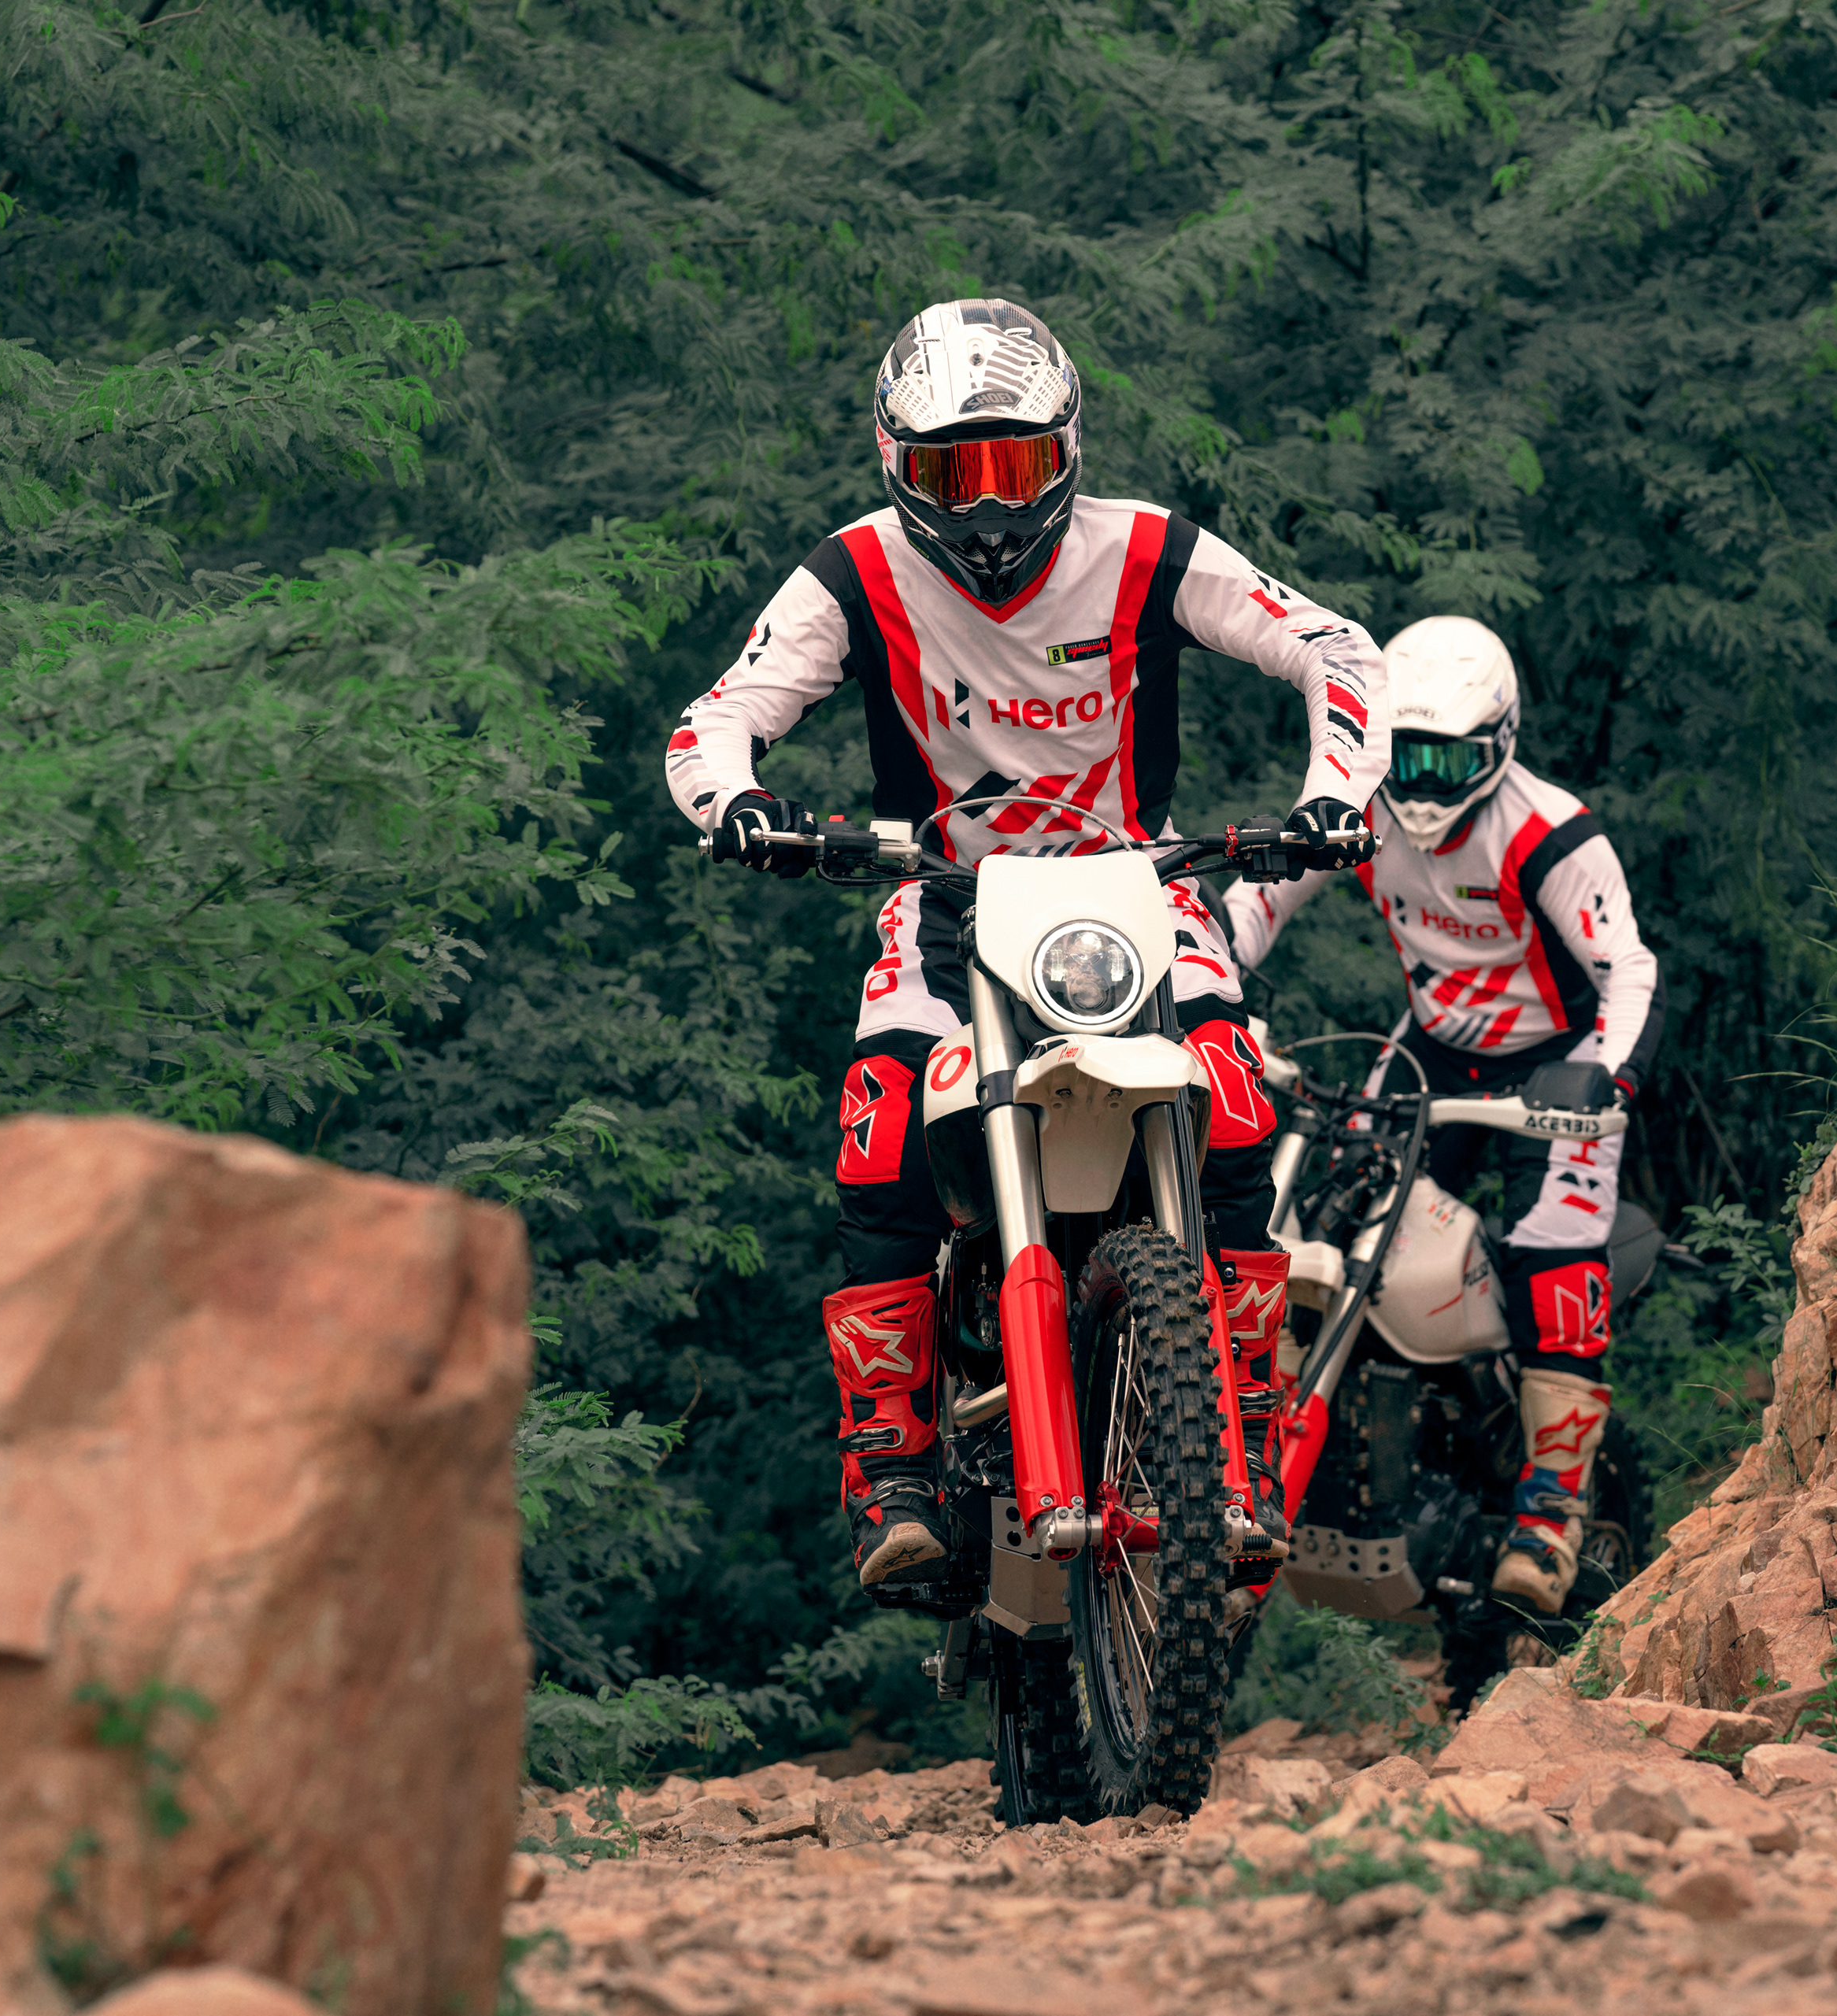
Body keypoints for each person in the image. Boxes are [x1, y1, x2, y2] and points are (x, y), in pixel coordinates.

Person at [664, 298, 1391, 1589]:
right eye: (958, 475)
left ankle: (1243, 1425)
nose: (993, 509)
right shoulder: (855, 573)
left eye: (1018, 467)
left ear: (1070, 453)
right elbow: (719, 715)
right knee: (880, 1126)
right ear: (898, 465)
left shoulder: (1145, 549)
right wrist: (742, 805)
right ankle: (888, 1464)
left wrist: (1334, 794)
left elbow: (1333, 645)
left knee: (1234, 1105)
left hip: (1139, 890)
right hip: (944, 899)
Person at [1228, 614, 1659, 1614]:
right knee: (1320, 1220)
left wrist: (1607, 1077)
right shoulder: (1359, 804)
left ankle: (1552, 1511)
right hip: (1430, 1047)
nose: (1419, 784)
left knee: (1553, 1251)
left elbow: (1629, 969)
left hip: (1557, 1062)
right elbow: (1261, 897)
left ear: (1498, 744)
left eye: (1445, 759)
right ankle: (1263, 1450)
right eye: (1403, 754)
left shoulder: (1550, 832)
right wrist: (1210, 969)